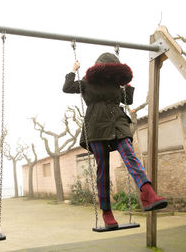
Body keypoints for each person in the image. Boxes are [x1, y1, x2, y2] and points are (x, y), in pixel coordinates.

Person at [62, 52, 167, 229]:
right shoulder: (87, 83)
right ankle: (107, 212)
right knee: (103, 168)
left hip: (118, 124)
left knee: (130, 155)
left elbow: (128, 100)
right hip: (96, 128)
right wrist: (73, 70)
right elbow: (67, 87)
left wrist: (125, 81)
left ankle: (148, 193)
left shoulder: (116, 85)